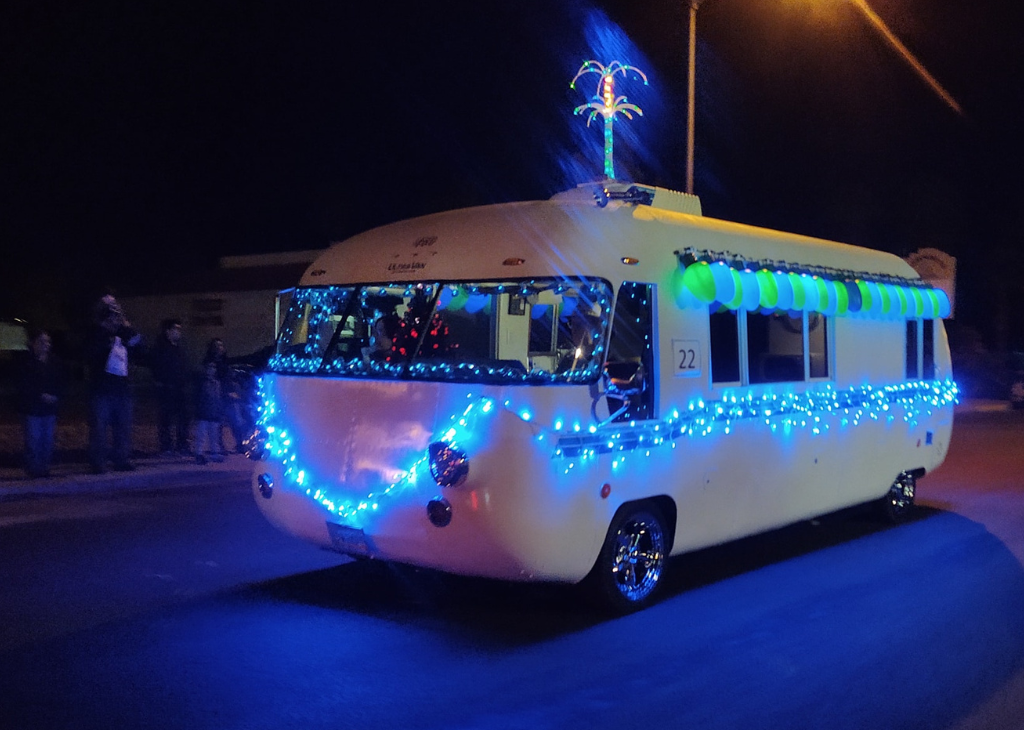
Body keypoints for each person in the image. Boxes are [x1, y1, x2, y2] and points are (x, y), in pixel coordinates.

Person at [85, 295, 143, 473]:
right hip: (102, 389)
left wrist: (128, 328)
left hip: (122, 389)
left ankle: (121, 459)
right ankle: (98, 462)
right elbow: (90, 354)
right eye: (112, 316)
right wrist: (105, 336)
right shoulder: (96, 333)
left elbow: (140, 349)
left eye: (118, 316)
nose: (116, 320)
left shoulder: (124, 333)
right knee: (99, 428)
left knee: (123, 427)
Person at [18, 328, 63, 478]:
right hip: (33, 409)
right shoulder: (26, 362)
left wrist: (56, 396)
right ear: (33, 343)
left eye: (48, 341)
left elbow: (61, 381)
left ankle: (44, 468)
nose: (46, 344)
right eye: (42, 341)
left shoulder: (54, 361)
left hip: (49, 408)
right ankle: (33, 469)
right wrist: (40, 395)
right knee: (33, 440)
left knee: (47, 440)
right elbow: (24, 384)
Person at [150, 318, 190, 456]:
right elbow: (156, 367)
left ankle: (181, 444)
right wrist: (162, 382)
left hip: (179, 388)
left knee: (183, 417)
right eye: (176, 329)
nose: (179, 332)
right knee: (166, 418)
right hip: (167, 388)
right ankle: (166, 446)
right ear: (168, 331)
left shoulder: (178, 349)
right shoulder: (161, 348)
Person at [203, 337, 245, 454]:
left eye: (221, 345)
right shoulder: (210, 363)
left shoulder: (225, 361)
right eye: (217, 346)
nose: (219, 348)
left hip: (230, 395)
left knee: (235, 421)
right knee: (219, 423)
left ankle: (239, 444)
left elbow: (229, 377)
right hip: (219, 395)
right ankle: (219, 446)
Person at [193, 359, 223, 464]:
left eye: (213, 368)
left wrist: (219, 410)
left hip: (214, 412)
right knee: (201, 434)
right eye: (210, 367)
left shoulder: (217, 383)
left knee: (214, 434)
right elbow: (198, 397)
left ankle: (214, 451)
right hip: (203, 412)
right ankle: (198, 453)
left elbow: (218, 398)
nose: (212, 370)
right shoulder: (202, 382)